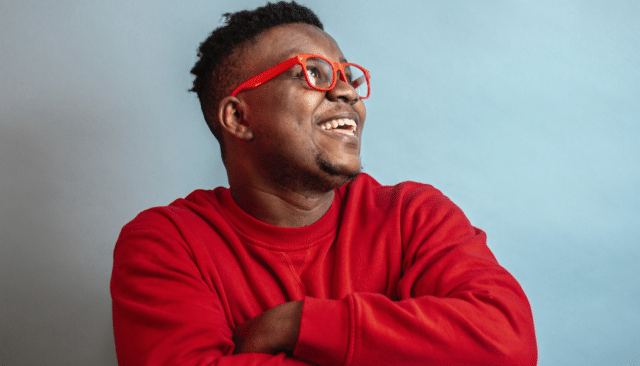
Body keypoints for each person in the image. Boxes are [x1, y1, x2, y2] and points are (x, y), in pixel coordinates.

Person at [110, 2, 538, 365]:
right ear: (239, 118)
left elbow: (507, 342)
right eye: (312, 74)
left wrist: (295, 323)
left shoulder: (414, 215)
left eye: (348, 77)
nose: (348, 93)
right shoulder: (166, 244)